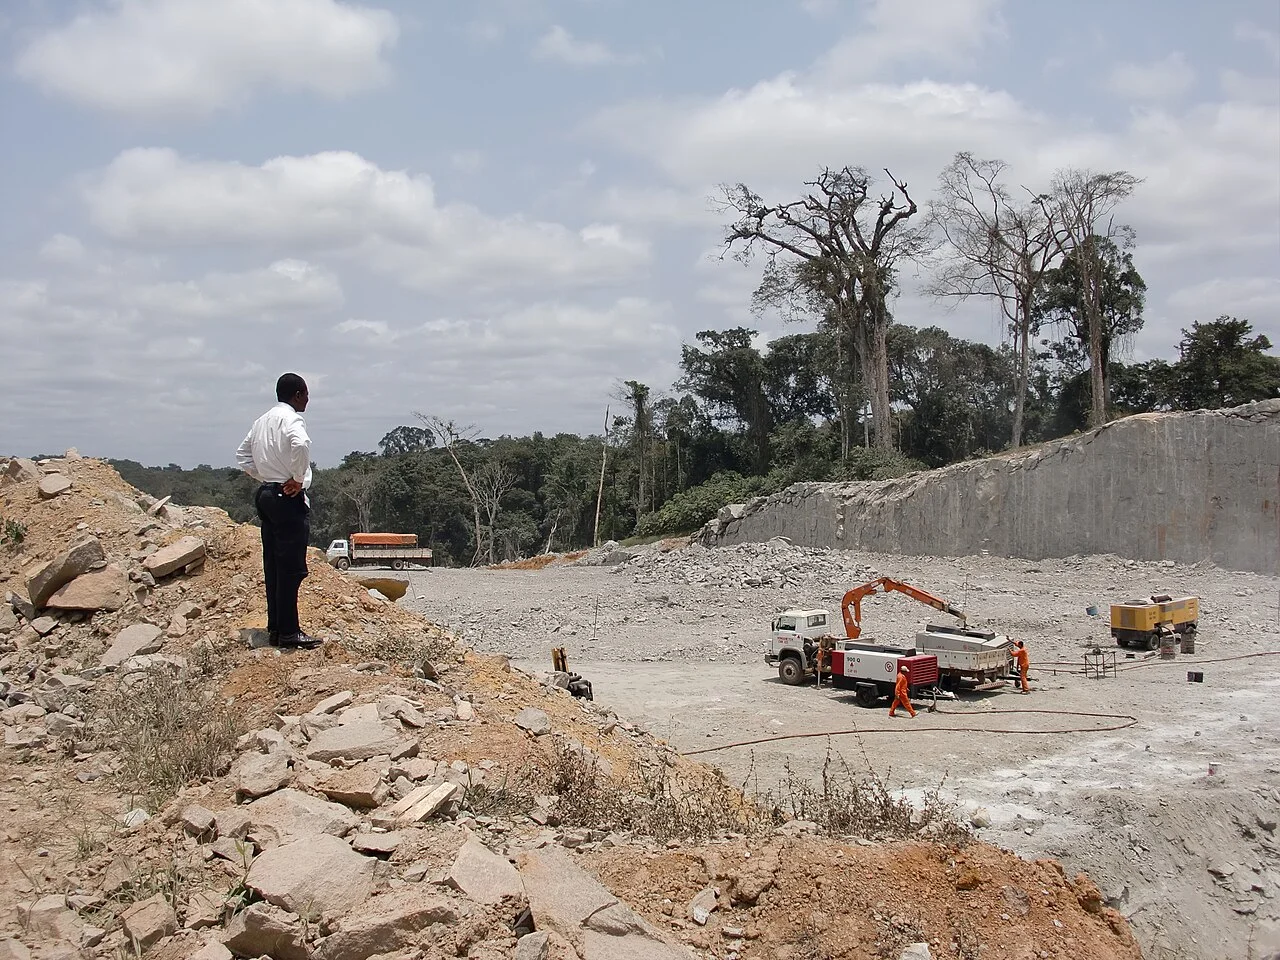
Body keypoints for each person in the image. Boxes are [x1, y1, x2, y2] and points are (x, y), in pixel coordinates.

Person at [236, 373, 319, 648]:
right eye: (306, 394)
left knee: (272, 563)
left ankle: (275, 628)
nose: (307, 399)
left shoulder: (261, 421)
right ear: (297, 394)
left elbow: (242, 455)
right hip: (286, 496)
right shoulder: (291, 419)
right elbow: (301, 444)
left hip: (266, 495)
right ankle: (289, 631)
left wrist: (264, 476)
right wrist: (296, 477)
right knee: (291, 567)